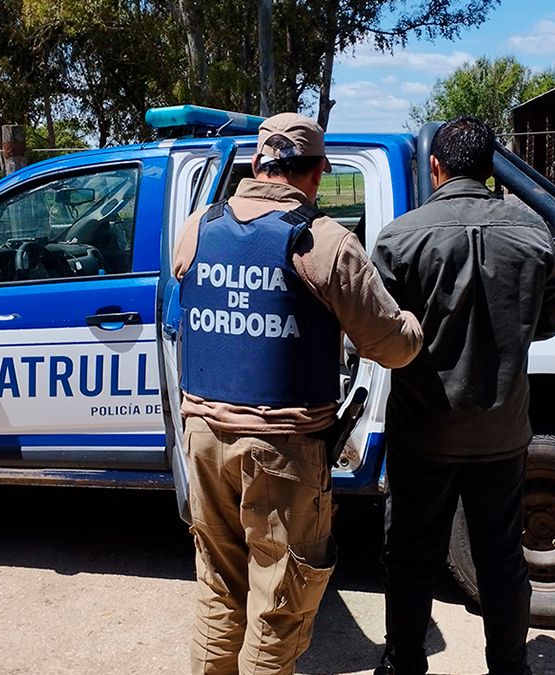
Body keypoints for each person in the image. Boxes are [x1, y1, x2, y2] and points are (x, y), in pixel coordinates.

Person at [174, 112, 423, 674]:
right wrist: (414, 319)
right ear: (315, 174)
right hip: (282, 451)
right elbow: (394, 346)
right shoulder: (325, 242)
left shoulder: (196, 227)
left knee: (218, 590)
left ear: (258, 163)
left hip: (204, 441)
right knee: (280, 604)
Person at [370, 116, 555, 675]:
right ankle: (510, 668)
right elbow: (546, 326)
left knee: (410, 556)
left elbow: (383, 333)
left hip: (422, 430)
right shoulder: (534, 235)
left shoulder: (399, 237)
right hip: (502, 433)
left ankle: (404, 664)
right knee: (503, 558)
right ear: (490, 170)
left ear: (435, 166)